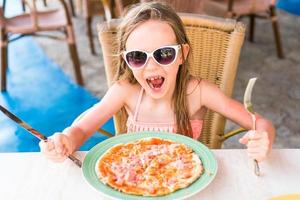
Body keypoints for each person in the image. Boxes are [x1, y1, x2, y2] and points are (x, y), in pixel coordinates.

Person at [39, 2, 275, 163]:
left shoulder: (200, 92)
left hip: (185, 178)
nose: (151, 67)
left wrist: (263, 138)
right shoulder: (124, 91)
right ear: (126, 60)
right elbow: (80, 129)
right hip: (133, 178)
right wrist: (65, 140)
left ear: (182, 54)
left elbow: (261, 123)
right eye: (138, 56)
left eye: (163, 54)